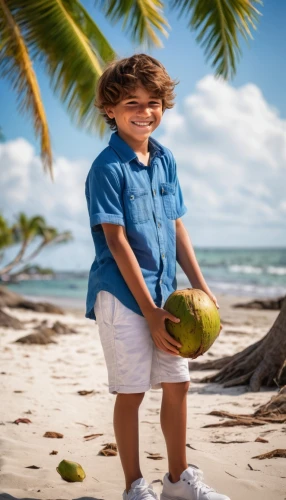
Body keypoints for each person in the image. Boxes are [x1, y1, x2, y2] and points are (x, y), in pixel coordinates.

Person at [85, 54, 230, 500]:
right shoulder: (106, 169)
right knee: (131, 392)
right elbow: (116, 241)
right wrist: (147, 310)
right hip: (125, 298)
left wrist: (202, 288)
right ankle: (134, 487)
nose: (144, 111)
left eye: (153, 102)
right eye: (132, 101)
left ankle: (177, 481)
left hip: (167, 296)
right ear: (111, 108)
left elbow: (176, 226)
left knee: (179, 383)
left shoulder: (166, 161)